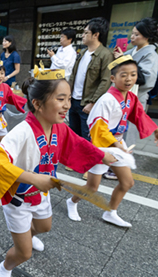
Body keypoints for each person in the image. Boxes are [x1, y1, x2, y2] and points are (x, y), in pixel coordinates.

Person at [0, 67, 116, 277]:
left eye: (69, 98)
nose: (67, 105)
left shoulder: (60, 127)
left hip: (41, 194)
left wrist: (102, 155)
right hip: (19, 199)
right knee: (24, 254)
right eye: (61, 99)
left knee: (45, 227)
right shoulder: (21, 132)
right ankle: (5, 267)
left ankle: (27, 236)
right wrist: (33, 178)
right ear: (37, 104)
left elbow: (79, 144)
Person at [66, 56, 158, 227]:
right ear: (113, 78)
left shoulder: (130, 97)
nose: (129, 79)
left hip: (117, 144)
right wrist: (115, 146)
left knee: (127, 182)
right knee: (92, 187)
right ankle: (72, 202)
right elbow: (97, 127)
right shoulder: (106, 99)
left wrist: (155, 130)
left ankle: (111, 212)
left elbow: (139, 115)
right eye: (123, 75)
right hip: (101, 147)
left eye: (133, 74)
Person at [112, 17, 158, 169]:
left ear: (146, 36)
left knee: (128, 133)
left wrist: (124, 61)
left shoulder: (151, 55)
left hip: (135, 99)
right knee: (118, 131)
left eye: (136, 34)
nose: (132, 37)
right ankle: (117, 162)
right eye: (132, 34)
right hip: (123, 98)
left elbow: (145, 79)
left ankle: (124, 165)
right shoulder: (132, 51)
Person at [69, 18, 113, 142]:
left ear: (95, 35)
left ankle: (87, 161)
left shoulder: (105, 55)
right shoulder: (82, 53)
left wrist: (93, 102)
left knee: (87, 138)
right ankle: (76, 160)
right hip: (74, 100)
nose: (82, 35)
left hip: (87, 104)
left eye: (86, 32)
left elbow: (106, 81)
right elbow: (73, 75)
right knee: (73, 136)